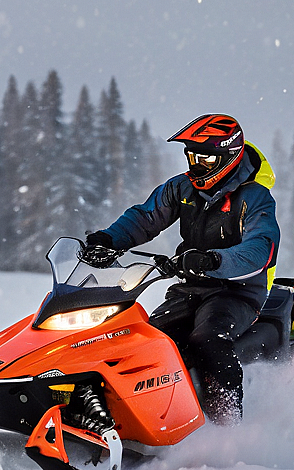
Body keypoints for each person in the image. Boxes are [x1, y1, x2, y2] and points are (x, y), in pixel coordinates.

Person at [82, 114, 280, 426]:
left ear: (228, 156)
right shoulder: (182, 188)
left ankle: (228, 426)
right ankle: (140, 419)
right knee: (147, 341)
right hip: (190, 288)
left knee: (207, 339)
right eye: (191, 156)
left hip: (237, 293)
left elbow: (261, 248)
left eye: (204, 158)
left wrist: (213, 260)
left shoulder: (254, 198)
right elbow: (146, 217)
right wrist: (109, 239)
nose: (194, 165)